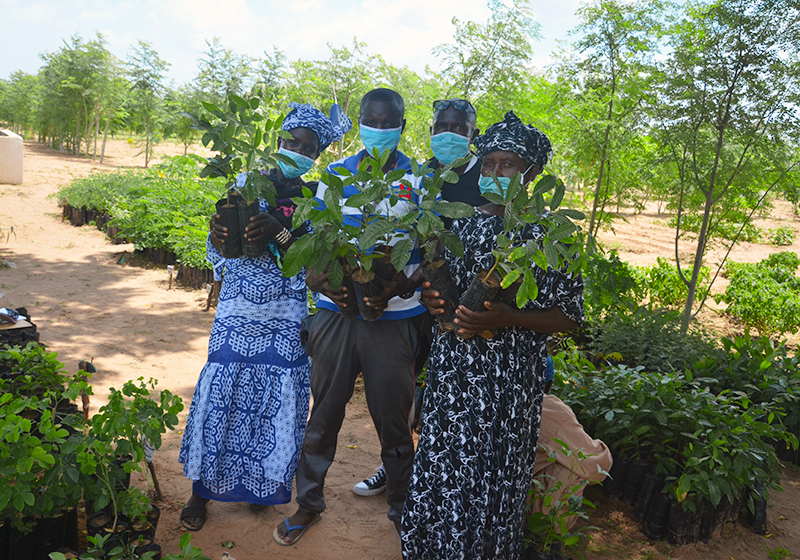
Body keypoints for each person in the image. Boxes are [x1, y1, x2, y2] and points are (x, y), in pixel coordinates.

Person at [401, 111, 585, 559]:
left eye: (507, 164)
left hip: (508, 384)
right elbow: (440, 294)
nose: (495, 172)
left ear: (533, 174)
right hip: (453, 374)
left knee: (494, 472)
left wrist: (506, 317)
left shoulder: (549, 236)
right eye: (488, 164)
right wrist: (433, 301)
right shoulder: (458, 225)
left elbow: (569, 317)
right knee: (444, 462)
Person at [178, 103, 352, 531]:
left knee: (275, 399)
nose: (297, 151)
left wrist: (278, 230)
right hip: (238, 306)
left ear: (317, 155)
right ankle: (200, 492)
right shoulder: (244, 184)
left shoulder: (314, 199)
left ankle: (259, 485)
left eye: (308, 148)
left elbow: (309, 265)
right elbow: (216, 244)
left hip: (285, 310)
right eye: (291, 142)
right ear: (278, 141)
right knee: (223, 392)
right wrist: (218, 236)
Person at [273, 88, 427, 546]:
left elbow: (431, 248)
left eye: (388, 122)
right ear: (359, 121)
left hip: (394, 318)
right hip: (336, 315)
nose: (378, 129)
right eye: (370, 120)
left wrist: (404, 283)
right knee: (323, 414)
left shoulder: (418, 180)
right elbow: (315, 240)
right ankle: (309, 504)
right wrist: (318, 278)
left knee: (394, 422)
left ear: (402, 124)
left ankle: (402, 507)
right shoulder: (335, 175)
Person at [351, 97, 484, 499]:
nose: (448, 135)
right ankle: (395, 469)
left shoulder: (487, 177)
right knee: (407, 392)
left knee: (459, 396)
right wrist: (407, 283)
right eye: (441, 127)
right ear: (428, 132)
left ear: (472, 134)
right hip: (418, 305)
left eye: (458, 128)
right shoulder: (421, 176)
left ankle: (451, 478)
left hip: (470, 307)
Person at [529, 356, 612, 533]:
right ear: (547, 382)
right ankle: (547, 533)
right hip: (523, 491)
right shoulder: (550, 408)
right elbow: (596, 465)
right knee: (571, 468)